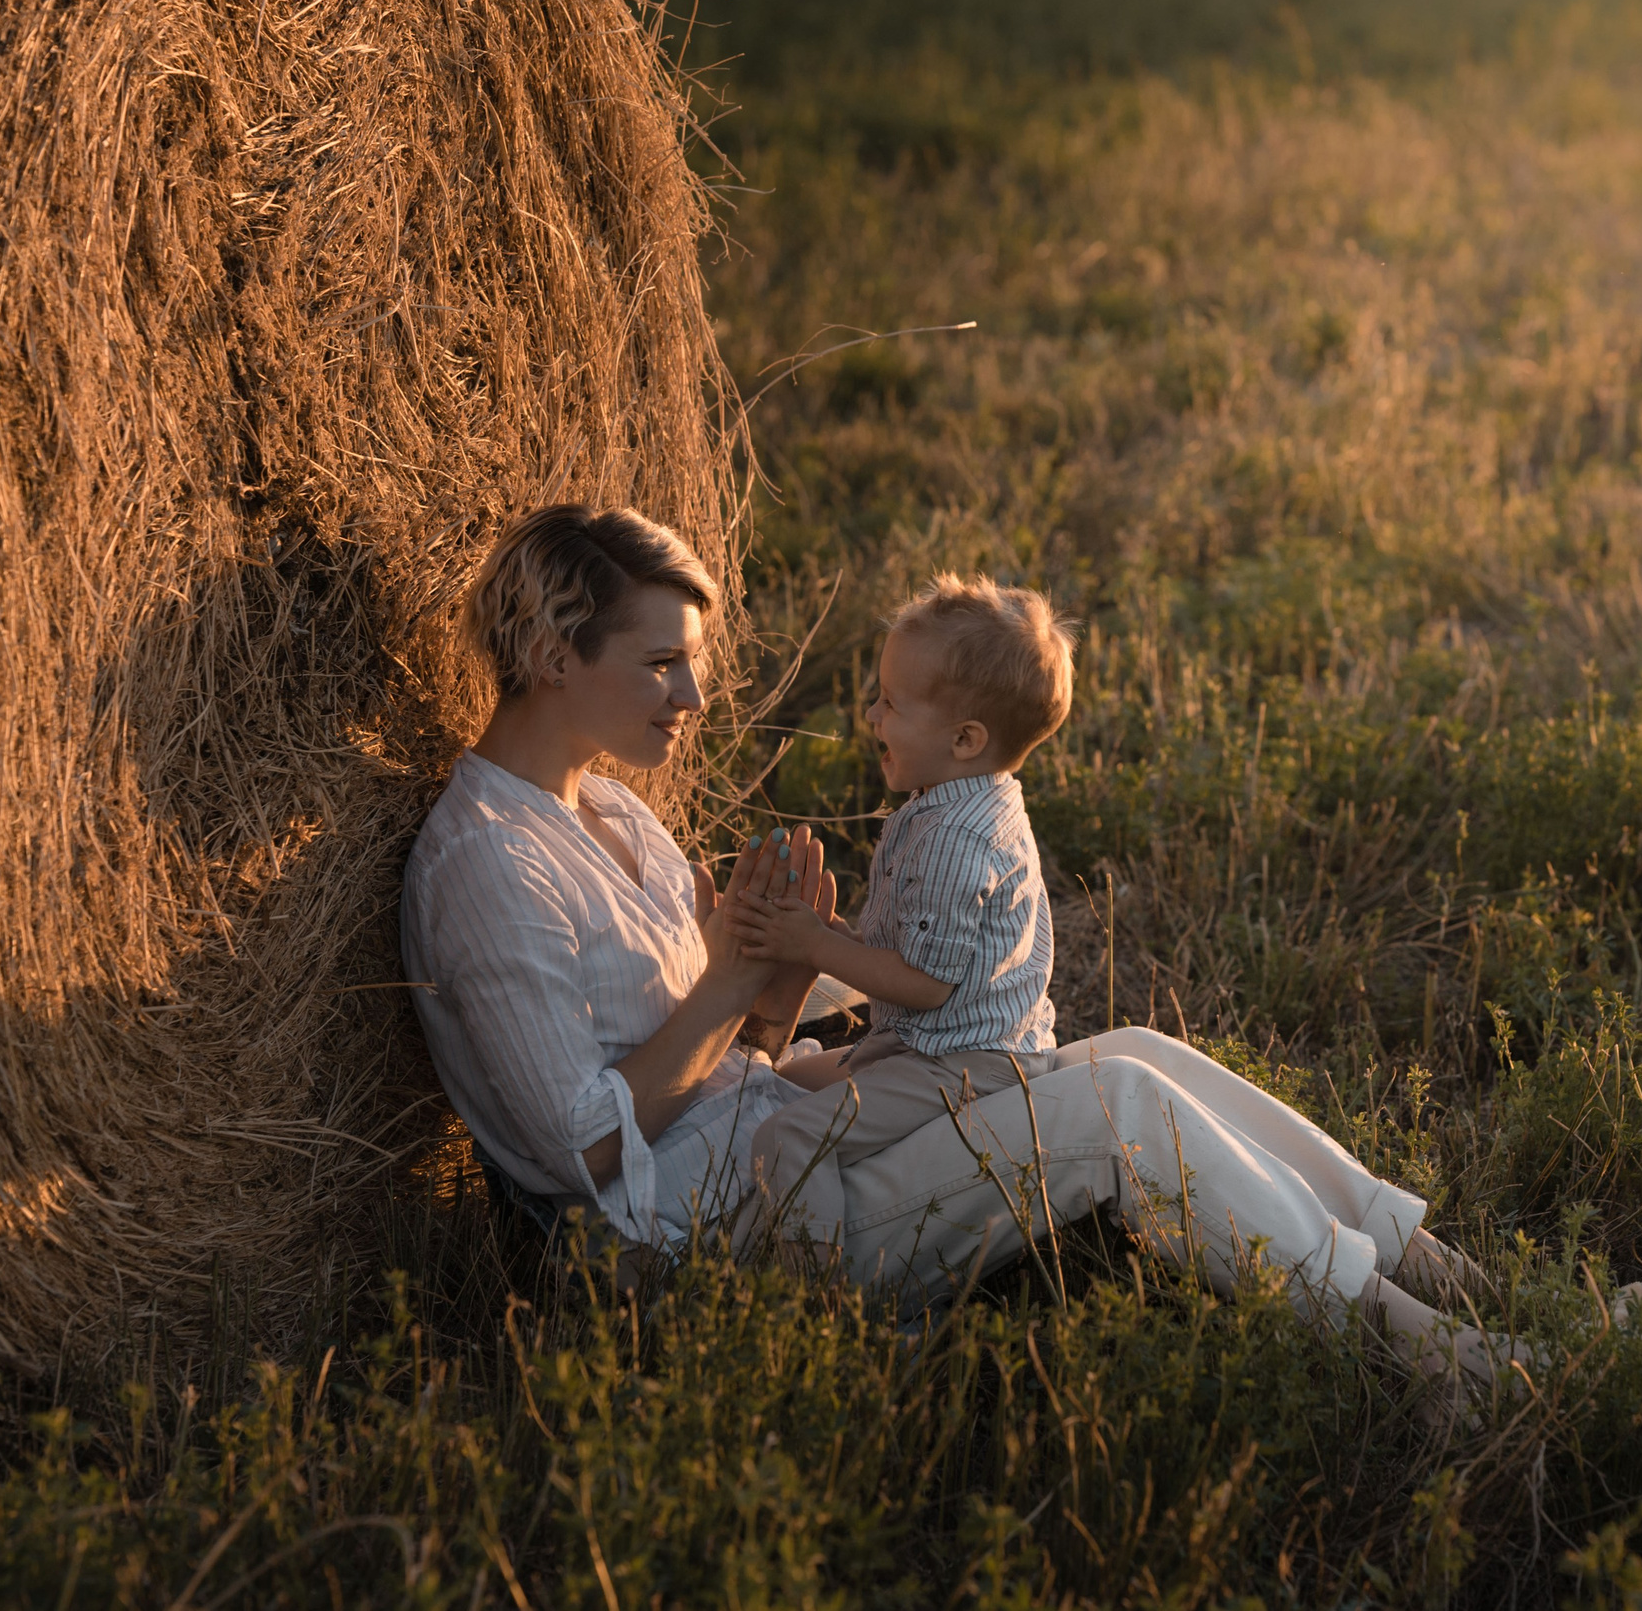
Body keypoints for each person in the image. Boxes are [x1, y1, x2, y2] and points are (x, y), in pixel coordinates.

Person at [401, 504, 1525, 1415]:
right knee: (1113, 1107)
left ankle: (1434, 1266)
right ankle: (1423, 1351)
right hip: (708, 1240)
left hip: (784, 1150)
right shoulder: (489, 868)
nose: (693, 698)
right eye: (659, 665)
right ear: (553, 653)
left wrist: (772, 998)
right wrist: (736, 982)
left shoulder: (610, 813)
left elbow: (712, 1053)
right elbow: (580, 1147)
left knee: (1132, 1047)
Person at [724, 575, 1071, 1260]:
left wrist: (816, 943)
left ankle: (813, 1309)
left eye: (889, 703)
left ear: (965, 738)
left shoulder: (954, 837)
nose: (871, 713)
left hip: (960, 1063)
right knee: (775, 1084)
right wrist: (847, 940)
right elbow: (932, 955)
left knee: (788, 1136)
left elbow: (925, 983)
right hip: (939, 1041)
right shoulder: (967, 798)